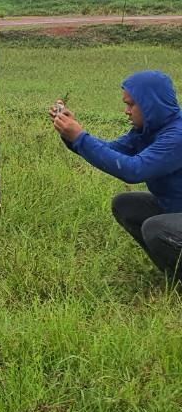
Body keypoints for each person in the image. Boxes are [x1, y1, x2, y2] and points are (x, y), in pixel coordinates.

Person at [52, 71, 182, 280]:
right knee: (126, 204)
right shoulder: (149, 129)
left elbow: (133, 170)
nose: (126, 111)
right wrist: (71, 135)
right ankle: (173, 273)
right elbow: (113, 150)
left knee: (156, 228)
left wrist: (80, 137)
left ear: (150, 104)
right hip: (176, 209)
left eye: (131, 104)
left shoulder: (177, 135)